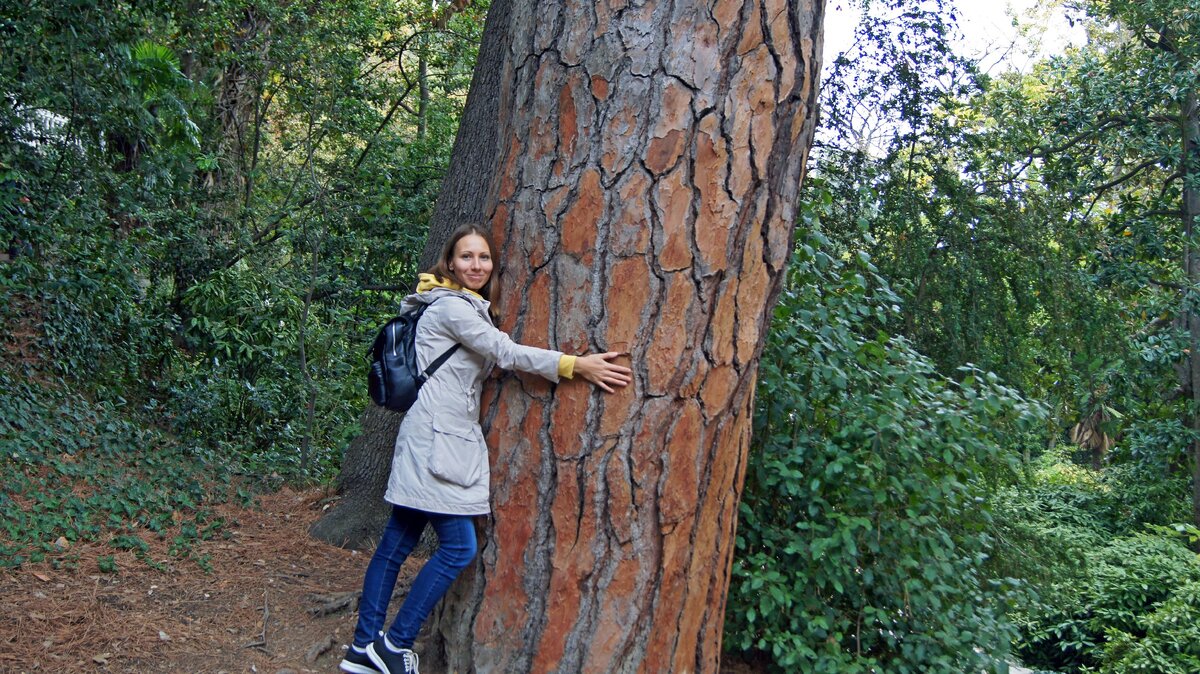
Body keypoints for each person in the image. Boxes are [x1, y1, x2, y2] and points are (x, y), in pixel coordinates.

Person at [340, 224, 632, 674]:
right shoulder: (452, 308)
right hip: (437, 443)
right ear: (450, 262)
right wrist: (575, 364)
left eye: (484, 257)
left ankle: (363, 649)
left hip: (432, 437)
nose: (476, 265)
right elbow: (504, 352)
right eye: (466, 257)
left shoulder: (450, 305)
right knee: (458, 548)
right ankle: (393, 644)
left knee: (395, 545)